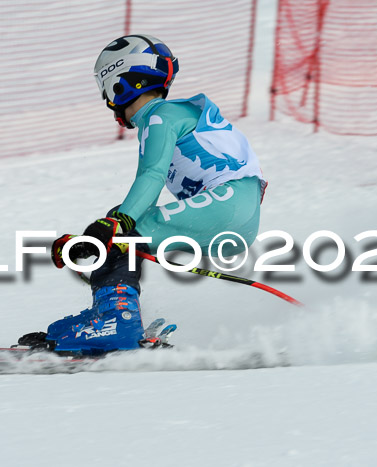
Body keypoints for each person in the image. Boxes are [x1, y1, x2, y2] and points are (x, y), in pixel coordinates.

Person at [18, 34, 266, 355]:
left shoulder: (160, 116)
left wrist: (116, 225)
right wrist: (92, 238)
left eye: (104, 87)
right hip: (235, 212)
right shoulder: (171, 115)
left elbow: (151, 176)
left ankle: (115, 323)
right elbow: (138, 205)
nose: (107, 99)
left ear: (121, 82)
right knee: (121, 225)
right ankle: (108, 316)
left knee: (125, 230)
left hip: (228, 204)